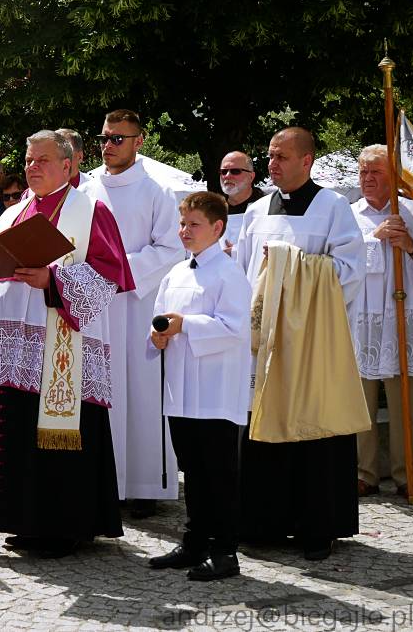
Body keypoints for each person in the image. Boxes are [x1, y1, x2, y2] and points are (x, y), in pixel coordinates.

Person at [0, 130, 135, 558]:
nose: (32, 167)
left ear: (67, 165)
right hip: (14, 345)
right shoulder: (11, 214)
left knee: (57, 435)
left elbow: (109, 275)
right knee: (17, 426)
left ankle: (64, 527)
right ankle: (21, 520)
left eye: (42, 160)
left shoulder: (91, 210)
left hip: (62, 343)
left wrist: (52, 280)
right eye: (28, 160)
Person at [233, 127, 366, 561]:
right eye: (270, 156)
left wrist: (290, 266)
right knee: (262, 427)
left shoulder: (333, 207)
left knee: (314, 429)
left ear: (307, 160)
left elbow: (350, 270)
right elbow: (243, 273)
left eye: (282, 157)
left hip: (311, 339)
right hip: (265, 342)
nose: (272, 164)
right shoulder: (256, 211)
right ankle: (263, 523)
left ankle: (318, 527)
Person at [80, 109, 184, 518]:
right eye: (104, 138)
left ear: (139, 141)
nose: (108, 146)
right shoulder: (85, 187)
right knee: (102, 390)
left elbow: (171, 248)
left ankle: (143, 483)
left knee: (142, 392)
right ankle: (105, 480)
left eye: (118, 139)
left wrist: (119, 269)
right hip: (95, 303)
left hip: (139, 304)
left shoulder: (157, 191)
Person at [147, 192, 250, 581]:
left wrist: (185, 325)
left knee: (218, 474)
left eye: (194, 224)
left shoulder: (229, 273)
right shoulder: (176, 272)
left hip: (214, 392)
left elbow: (234, 328)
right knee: (191, 470)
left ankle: (225, 552)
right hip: (181, 391)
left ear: (217, 227)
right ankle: (194, 543)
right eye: (182, 223)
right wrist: (156, 336)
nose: (184, 231)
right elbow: (159, 319)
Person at [350, 144, 413, 502]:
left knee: (404, 403)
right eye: (363, 172)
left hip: (399, 318)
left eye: (375, 172)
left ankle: (407, 473)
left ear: (393, 177)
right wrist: (373, 240)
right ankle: (364, 473)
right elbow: (338, 265)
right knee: (361, 404)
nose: (367, 178)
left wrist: (409, 244)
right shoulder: (349, 216)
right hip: (362, 321)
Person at [220, 151, 266, 215]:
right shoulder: (213, 209)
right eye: (224, 171)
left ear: (251, 177)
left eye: (235, 171)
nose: (227, 176)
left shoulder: (268, 205)